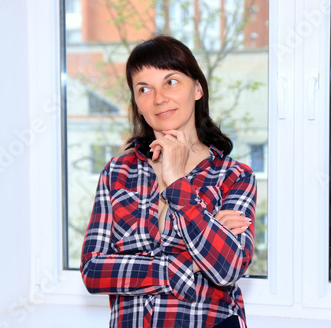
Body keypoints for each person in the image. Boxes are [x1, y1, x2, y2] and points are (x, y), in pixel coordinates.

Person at [80, 35, 257, 328]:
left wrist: (176, 184)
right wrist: (184, 264)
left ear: (198, 88)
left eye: (171, 82)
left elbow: (227, 268)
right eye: (144, 89)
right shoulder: (117, 173)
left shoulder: (234, 176)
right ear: (137, 103)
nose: (159, 98)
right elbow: (93, 271)